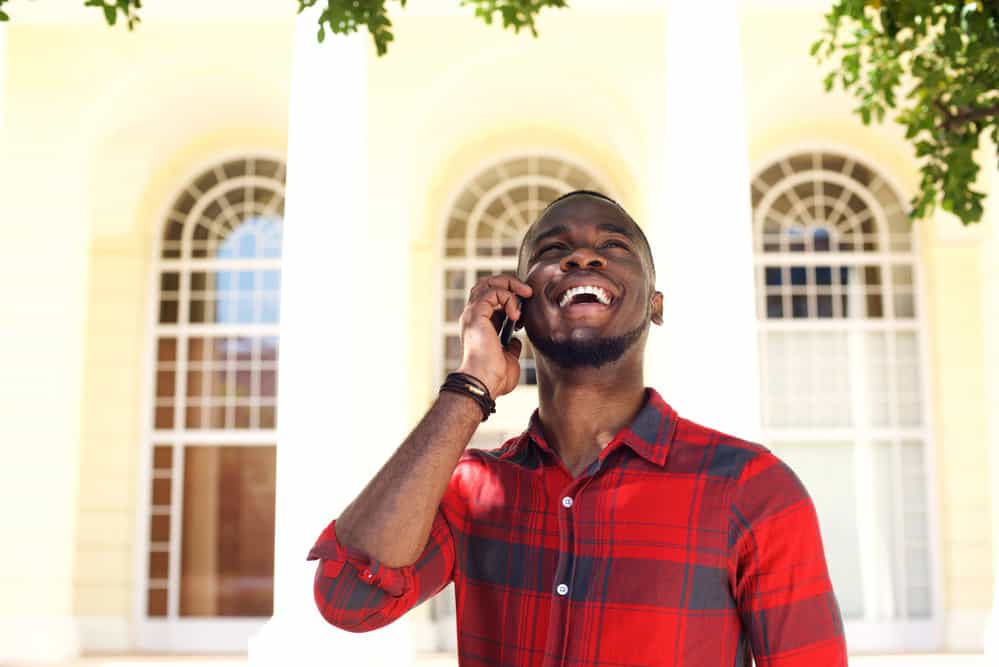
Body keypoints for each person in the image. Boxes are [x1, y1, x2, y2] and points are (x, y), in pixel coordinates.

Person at [307, 190, 847, 666]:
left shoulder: (754, 489)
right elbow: (349, 599)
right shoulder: (470, 490)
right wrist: (470, 385)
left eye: (614, 247)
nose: (582, 255)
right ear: (514, 311)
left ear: (655, 306)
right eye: (550, 251)